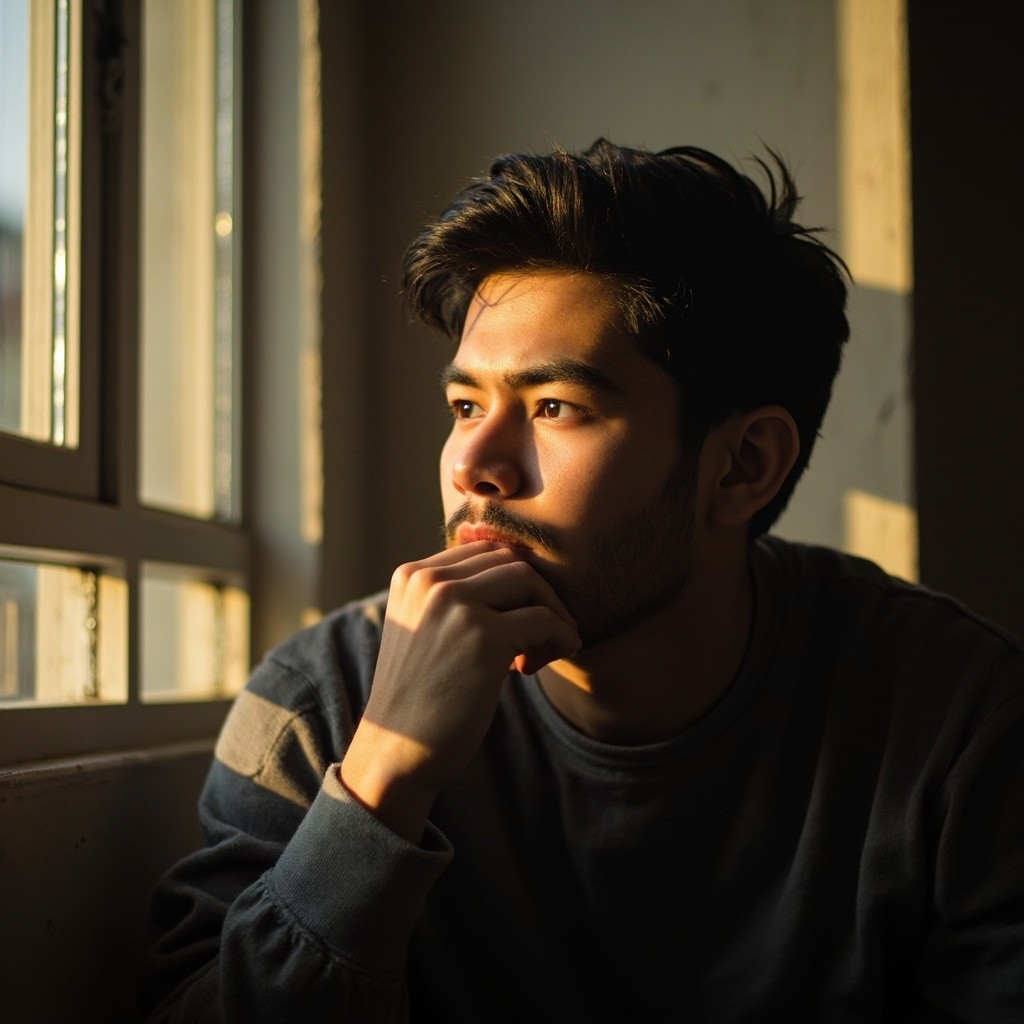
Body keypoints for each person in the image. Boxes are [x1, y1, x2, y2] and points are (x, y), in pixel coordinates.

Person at [146, 139, 1024, 1023]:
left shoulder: (957, 722)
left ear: (742, 466)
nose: (473, 465)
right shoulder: (322, 704)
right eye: (465, 406)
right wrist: (379, 787)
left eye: (554, 407)